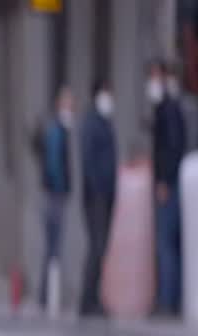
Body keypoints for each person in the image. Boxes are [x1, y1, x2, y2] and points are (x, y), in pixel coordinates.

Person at [149, 59, 187, 316]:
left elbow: (171, 148)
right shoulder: (168, 108)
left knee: (166, 243)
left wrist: (164, 179)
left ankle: (167, 300)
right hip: (171, 181)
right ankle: (171, 298)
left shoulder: (168, 109)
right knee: (170, 243)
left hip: (169, 184)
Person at [78, 79, 118, 317]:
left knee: (100, 247)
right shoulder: (91, 123)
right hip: (96, 197)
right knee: (96, 246)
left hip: (106, 194)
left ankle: (93, 297)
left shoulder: (104, 122)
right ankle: (87, 299)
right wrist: (98, 192)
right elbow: (89, 161)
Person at [33, 86, 74, 312]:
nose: (71, 108)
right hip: (54, 195)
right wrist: (61, 188)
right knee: (54, 246)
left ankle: (47, 295)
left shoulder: (58, 130)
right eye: (68, 103)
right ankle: (48, 296)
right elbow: (54, 165)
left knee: (52, 247)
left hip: (52, 194)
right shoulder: (57, 131)